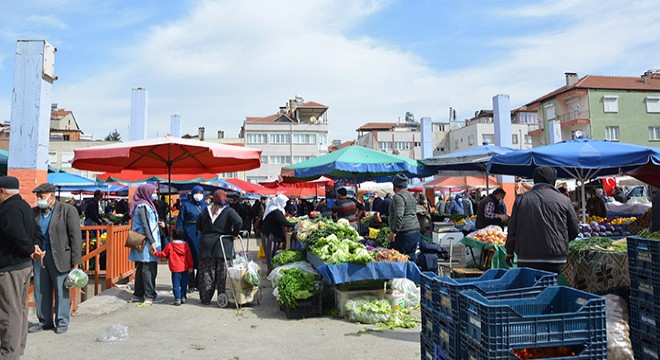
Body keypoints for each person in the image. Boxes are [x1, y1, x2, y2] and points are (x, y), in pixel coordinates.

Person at [0, 176, 44, 358]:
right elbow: (37, 233)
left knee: (9, 311)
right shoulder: (25, 206)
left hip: (11, 267)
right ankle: (17, 349)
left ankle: (9, 353)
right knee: (20, 308)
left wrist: (28, 249)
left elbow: (15, 233)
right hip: (24, 266)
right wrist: (34, 247)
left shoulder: (8, 209)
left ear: (1, 192)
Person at [29, 183, 82, 334]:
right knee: (41, 289)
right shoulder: (35, 213)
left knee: (61, 289)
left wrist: (76, 261)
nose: (39, 200)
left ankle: (62, 321)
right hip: (40, 256)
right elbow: (31, 234)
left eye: (42, 197)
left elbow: (75, 237)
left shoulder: (67, 210)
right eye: (38, 197)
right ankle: (44, 321)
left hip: (60, 256)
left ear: (52, 196)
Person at [505, 167, 579, 274]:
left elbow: (512, 229)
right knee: (552, 288)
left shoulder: (521, 200)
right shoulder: (564, 200)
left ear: (535, 180)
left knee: (531, 289)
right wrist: (561, 240)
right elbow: (574, 229)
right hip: (555, 258)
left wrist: (509, 252)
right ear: (553, 179)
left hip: (527, 258)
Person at [195, 190, 242, 305]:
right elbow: (238, 221)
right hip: (223, 245)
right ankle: (222, 299)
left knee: (206, 272)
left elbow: (198, 225)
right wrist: (234, 234)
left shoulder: (205, 210)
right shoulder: (228, 211)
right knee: (222, 274)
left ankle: (205, 298)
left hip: (206, 245)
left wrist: (208, 234)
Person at [128, 184, 163, 305]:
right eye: (153, 192)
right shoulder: (143, 206)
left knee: (142, 268)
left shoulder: (144, 205)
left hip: (144, 239)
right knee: (148, 268)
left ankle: (138, 294)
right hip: (146, 241)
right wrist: (152, 242)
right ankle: (149, 295)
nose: (155, 194)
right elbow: (145, 225)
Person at [175, 185, 207, 292]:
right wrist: (179, 235)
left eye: (200, 192)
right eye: (196, 192)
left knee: (201, 258)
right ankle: (191, 283)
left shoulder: (206, 206)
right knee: (190, 258)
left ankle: (199, 281)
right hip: (188, 233)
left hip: (201, 234)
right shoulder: (186, 205)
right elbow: (180, 221)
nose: (198, 195)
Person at [151, 229, 193, 306]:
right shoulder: (186, 246)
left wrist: (155, 253)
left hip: (175, 268)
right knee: (184, 284)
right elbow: (189, 257)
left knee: (176, 284)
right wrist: (191, 266)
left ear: (173, 236)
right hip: (185, 267)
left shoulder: (170, 245)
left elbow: (163, 254)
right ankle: (183, 296)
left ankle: (177, 298)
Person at [388, 174, 421, 260]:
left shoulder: (398, 197)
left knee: (398, 259)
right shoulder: (411, 196)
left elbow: (399, 215)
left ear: (394, 185)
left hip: (404, 233)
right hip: (415, 231)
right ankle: (412, 273)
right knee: (411, 258)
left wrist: (394, 231)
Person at [261, 194, 297, 273]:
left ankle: (272, 270)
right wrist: (296, 224)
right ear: (279, 202)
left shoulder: (275, 209)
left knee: (273, 252)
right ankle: (270, 271)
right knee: (271, 253)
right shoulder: (275, 211)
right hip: (269, 234)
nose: (285, 204)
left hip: (272, 233)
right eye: (284, 202)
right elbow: (284, 222)